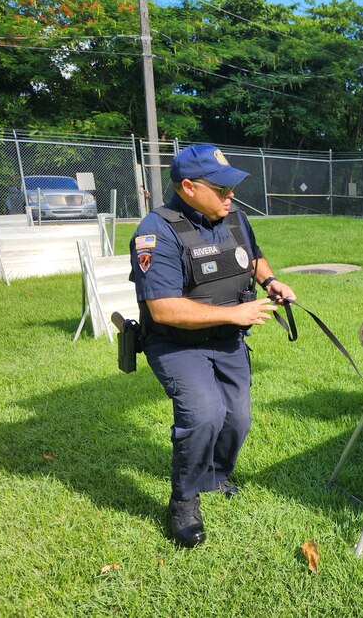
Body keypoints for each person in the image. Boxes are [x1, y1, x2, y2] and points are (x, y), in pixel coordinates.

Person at [129, 144, 295, 548]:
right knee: (203, 415)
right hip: (176, 345)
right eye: (220, 189)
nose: (229, 196)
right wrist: (233, 316)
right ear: (188, 186)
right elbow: (164, 309)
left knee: (237, 418)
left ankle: (216, 476)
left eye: (230, 188)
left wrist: (270, 282)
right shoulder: (157, 231)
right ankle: (184, 500)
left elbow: (253, 258)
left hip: (227, 340)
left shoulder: (232, 216)